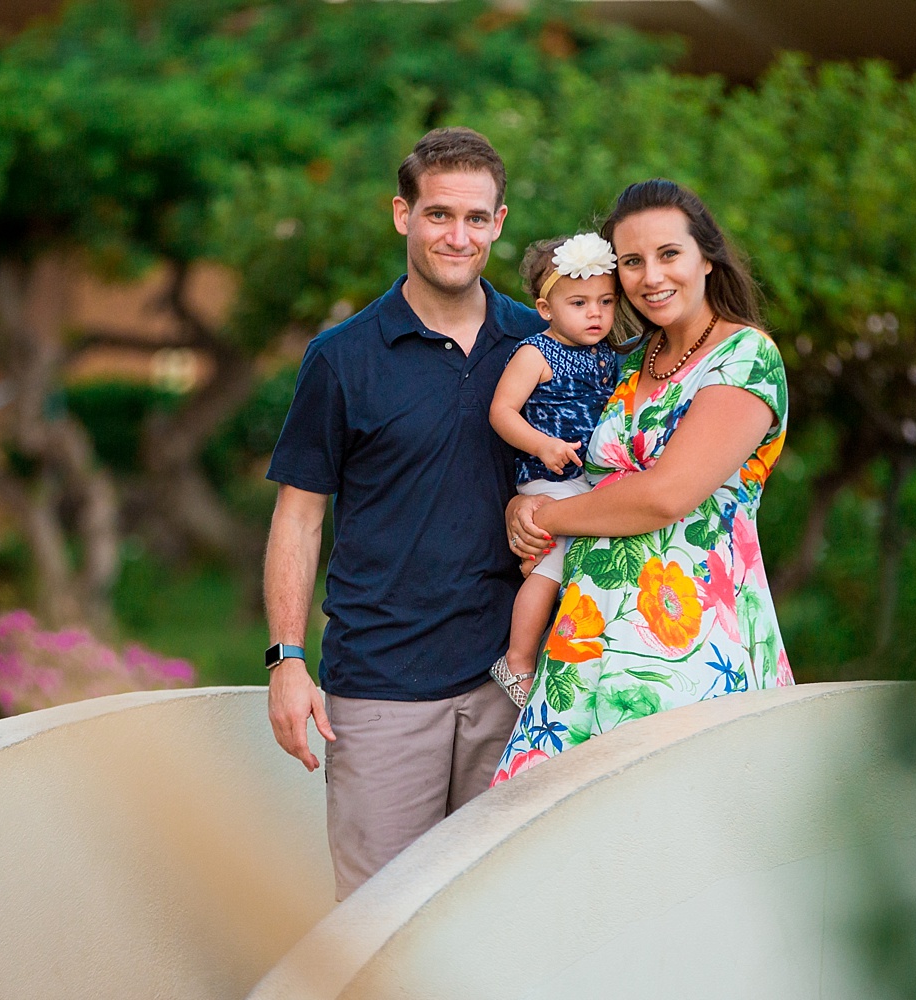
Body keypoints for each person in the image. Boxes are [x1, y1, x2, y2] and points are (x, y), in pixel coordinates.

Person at [262, 127, 546, 899]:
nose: (459, 236)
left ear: (500, 222)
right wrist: (286, 660)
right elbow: (297, 518)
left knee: (500, 922)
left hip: (514, 688)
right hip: (381, 689)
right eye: (439, 215)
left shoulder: (545, 345)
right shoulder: (342, 357)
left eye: (477, 218)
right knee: (379, 930)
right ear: (402, 215)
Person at [495, 179, 794, 785]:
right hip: (583, 641)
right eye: (632, 261)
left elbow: (665, 496)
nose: (651, 276)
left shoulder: (745, 358)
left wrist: (542, 518)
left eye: (669, 254)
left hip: (690, 648)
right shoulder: (624, 359)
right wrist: (519, 508)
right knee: (561, 851)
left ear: (706, 258)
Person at [487, 233, 623, 705]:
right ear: (546, 308)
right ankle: (518, 659)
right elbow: (502, 411)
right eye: (580, 302)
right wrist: (542, 445)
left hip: (586, 479)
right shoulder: (535, 353)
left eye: (606, 302)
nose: (595, 314)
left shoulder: (607, 356)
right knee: (552, 563)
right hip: (549, 477)